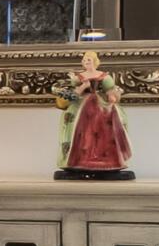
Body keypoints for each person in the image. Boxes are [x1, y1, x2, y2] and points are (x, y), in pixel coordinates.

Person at [55, 48, 133, 179]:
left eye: (89, 60)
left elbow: (110, 90)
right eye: (85, 60)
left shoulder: (103, 76)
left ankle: (106, 162)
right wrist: (83, 87)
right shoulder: (78, 77)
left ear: (95, 62)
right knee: (82, 133)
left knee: (102, 132)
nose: (86, 62)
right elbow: (73, 91)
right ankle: (79, 161)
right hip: (81, 106)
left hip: (99, 107)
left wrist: (112, 97)